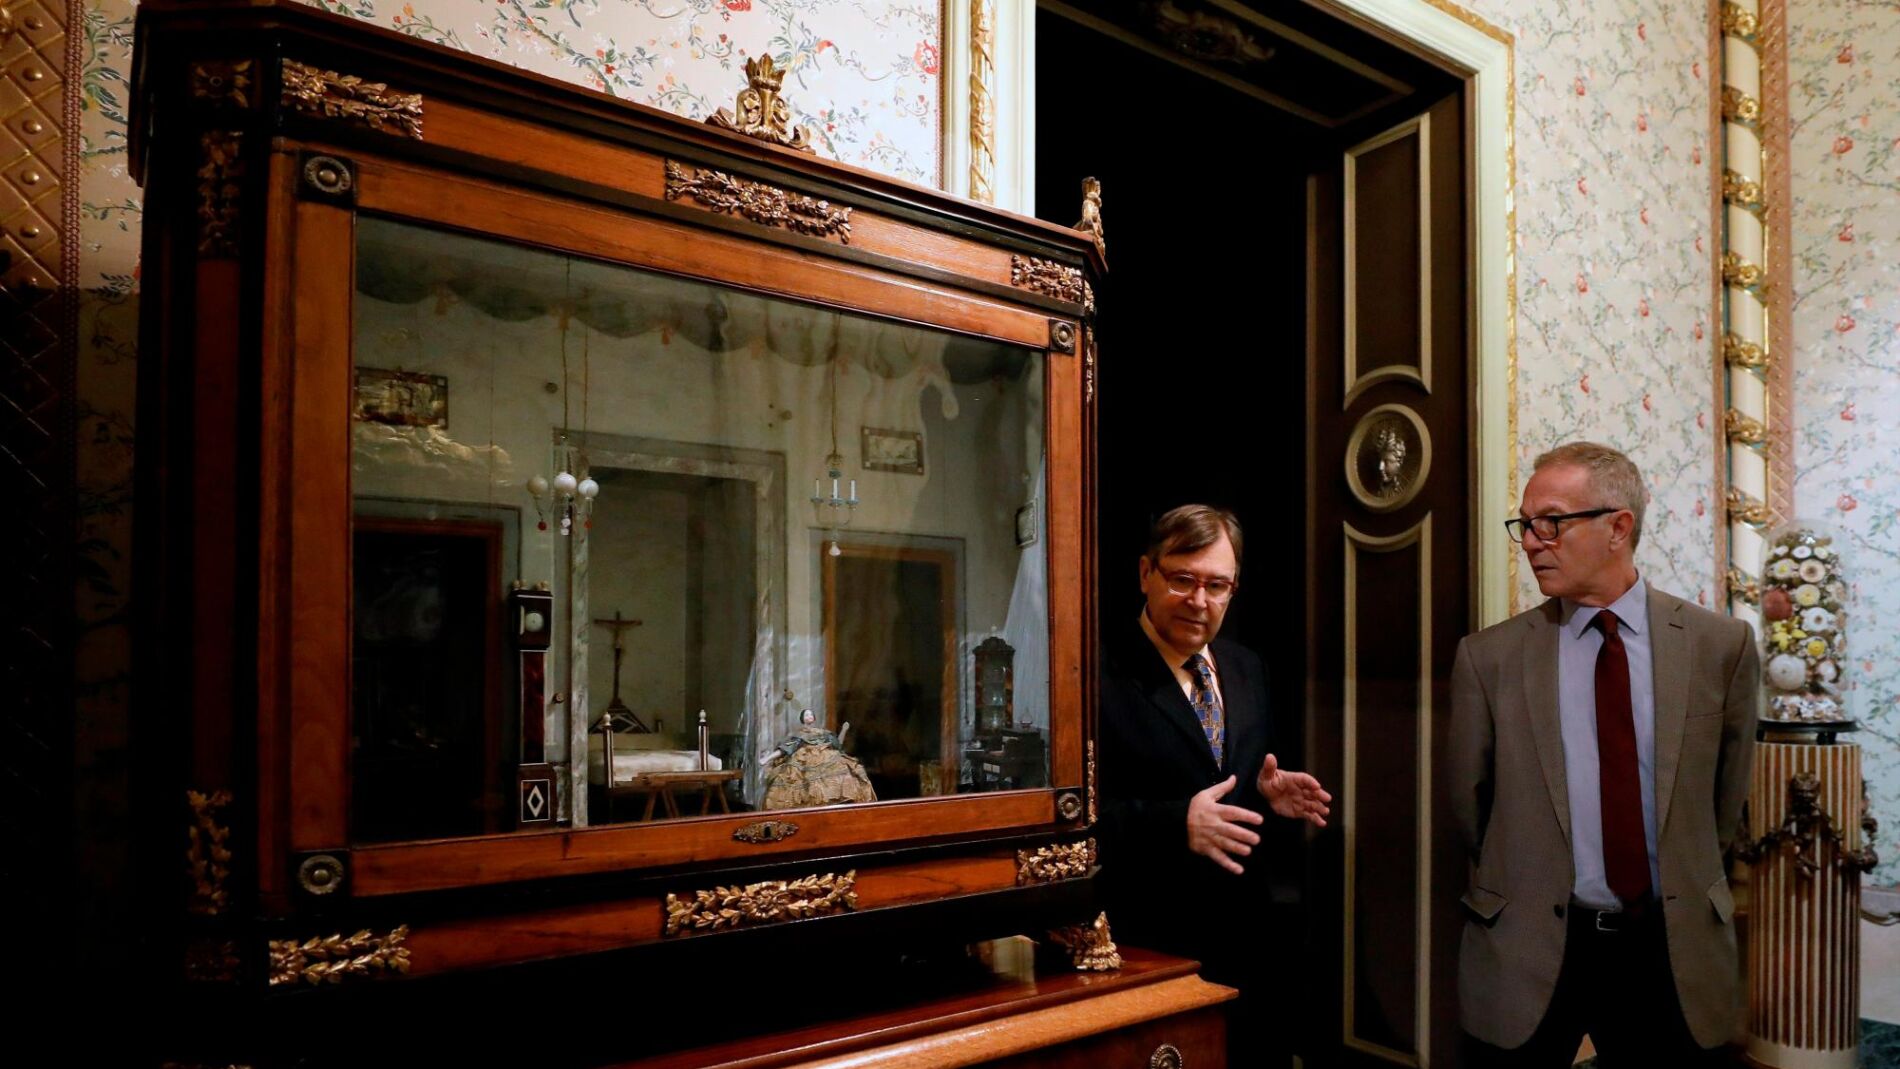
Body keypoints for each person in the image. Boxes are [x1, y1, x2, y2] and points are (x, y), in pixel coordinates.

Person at [1449, 442, 1758, 1067]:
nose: (1531, 542)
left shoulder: (1719, 646)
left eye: (1551, 522)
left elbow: (1724, 805)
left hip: (1669, 947)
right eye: (1525, 524)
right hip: (1531, 945)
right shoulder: (1489, 658)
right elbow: (1469, 808)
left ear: (1618, 527)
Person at [1097, 504, 1330, 1068]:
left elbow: (1225, 785)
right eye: (1182, 579)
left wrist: (1265, 796)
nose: (1199, 601)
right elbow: (1071, 817)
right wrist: (1176, 823)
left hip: (1247, 944)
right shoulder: (1095, 671)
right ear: (1146, 573)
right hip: (1147, 946)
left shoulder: (1246, 666)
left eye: (1216, 585)